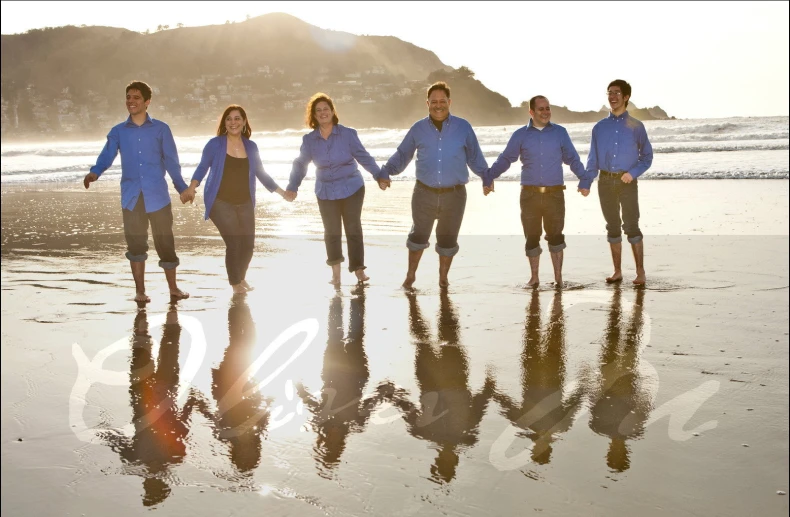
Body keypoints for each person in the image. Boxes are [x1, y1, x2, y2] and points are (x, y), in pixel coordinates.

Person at [84, 80, 189, 304]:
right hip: (132, 197)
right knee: (135, 245)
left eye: (136, 97)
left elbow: (171, 162)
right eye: (128, 97)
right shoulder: (118, 131)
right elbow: (107, 155)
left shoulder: (161, 129)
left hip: (158, 196)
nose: (131, 101)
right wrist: (95, 173)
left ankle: (173, 288)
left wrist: (181, 188)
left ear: (147, 102)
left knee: (165, 243)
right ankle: (140, 291)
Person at [379, 81, 489, 288]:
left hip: (455, 195)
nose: (438, 105)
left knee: (448, 239)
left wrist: (486, 177)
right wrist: (385, 173)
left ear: (449, 102)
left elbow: (475, 157)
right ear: (427, 103)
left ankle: (443, 277)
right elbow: (403, 155)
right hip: (424, 193)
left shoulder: (463, 127)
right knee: (418, 236)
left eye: (442, 101)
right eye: (434, 102)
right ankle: (411, 276)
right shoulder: (418, 129)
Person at [483, 95, 591, 287]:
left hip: (555, 194)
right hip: (529, 195)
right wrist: (489, 176)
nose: (545, 112)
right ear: (531, 112)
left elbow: (572, 158)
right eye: (541, 109)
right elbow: (506, 158)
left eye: (547, 108)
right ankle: (534, 278)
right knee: (532, 237)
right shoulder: (520, 135)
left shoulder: (560, 133)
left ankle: (558, 279)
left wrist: (584, 179)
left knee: (556, 237)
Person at [180, 105, 287, 294]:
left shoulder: (251, 146)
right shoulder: (215, 144)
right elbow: (202, 167)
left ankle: (241, 277)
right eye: (229, 119)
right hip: (220, 201)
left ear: (244, 122)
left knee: (248, 245)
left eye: (237, 118)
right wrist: (192, 187)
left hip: (244, 201)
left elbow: (261, 173)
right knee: (235, 242)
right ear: (224, 123)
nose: (233, 122)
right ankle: (235, 283)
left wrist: (282, 192)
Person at [284, 93, 384, 287]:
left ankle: (358, 269)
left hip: (352, 187)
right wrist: (293, 186)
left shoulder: (347, 134)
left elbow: (363, 156)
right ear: (313, 115)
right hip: (325, 190)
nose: (322, 113)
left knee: (353, 227)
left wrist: (378, 175)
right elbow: (301, 164)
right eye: (318, 110)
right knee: (331, 231)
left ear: (332, 112)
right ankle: (336, 274)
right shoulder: (309, 140)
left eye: (326, 109)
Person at [586, 79, 654, 285]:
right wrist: (586, 181)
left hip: (627, 182)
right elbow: (592, 158)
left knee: (632, 225)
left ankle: (640, 272)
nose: (612, 96)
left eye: (616, 93)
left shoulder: (636, 126)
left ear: (626, 97)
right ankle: (617, 271)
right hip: (605, 182)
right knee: (612, 226)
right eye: (609, 92)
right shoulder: (599, 127)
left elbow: (647, 157)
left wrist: (632, 173)